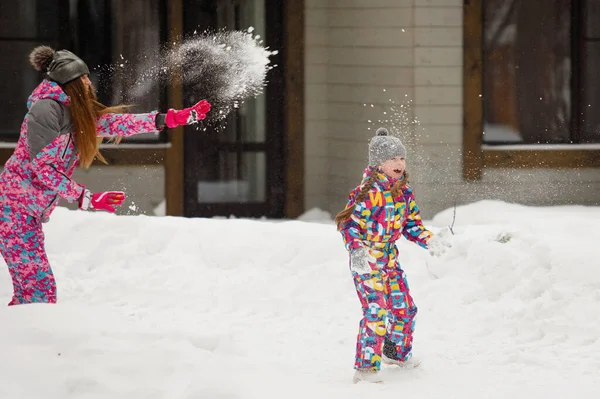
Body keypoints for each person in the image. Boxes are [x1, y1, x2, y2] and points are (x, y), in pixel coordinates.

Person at [0, 46, 211, 306]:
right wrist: (86, 198)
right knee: (38, 290)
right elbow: (42, 168)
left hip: (25, 210)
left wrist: (168, 119)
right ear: (70, 82)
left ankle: (27, 339)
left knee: (32, 290)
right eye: (84, 77)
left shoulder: (73, 111)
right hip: (12, 208)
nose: (89, 82)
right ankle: (32, 340)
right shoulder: (45, 111)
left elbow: (116, 124)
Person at [335, 127, 451, 384]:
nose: (399, 163)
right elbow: (349, 225)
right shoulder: (367, 194)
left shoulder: (404, 193)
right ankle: (365, 369)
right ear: (378, 164)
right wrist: (356, 251)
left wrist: (428, 240)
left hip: (389, 259)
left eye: (402, 158)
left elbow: (411, 225)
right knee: (376, 311)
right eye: (393, 159)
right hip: (366, 259)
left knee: (405, 310)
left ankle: (395, 353)